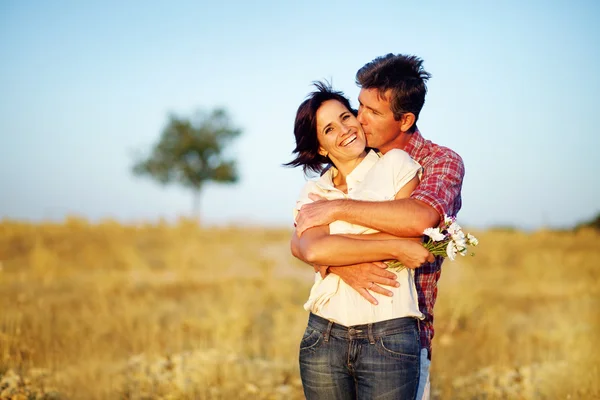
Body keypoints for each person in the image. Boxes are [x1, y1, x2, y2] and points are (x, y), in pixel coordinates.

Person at [292, 54, 465, 400]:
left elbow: (416, 222)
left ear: (404, 121)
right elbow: (305, 245)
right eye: (358, 107)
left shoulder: (434, 162)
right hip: (327, 330)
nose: (357, 120)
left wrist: (337, 210)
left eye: (371, 112)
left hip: (399, 329)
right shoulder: (324, 183)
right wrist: (346, 265)